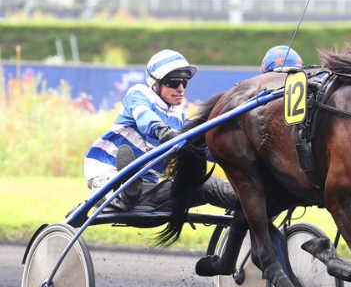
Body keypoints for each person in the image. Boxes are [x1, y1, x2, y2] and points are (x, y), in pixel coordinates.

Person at [83, 49, 238, 212]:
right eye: (173, 82)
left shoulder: (178, 118)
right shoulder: (139, 94)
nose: (180, 88)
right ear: (155, 84)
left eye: (184, 82)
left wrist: (232, 155)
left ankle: (256, 202)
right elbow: (145, 117)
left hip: (147, 189)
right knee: (124, 186)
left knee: (208, 186)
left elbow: (205, 149)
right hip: (107, 174)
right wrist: (162, 131)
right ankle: (120, 193)